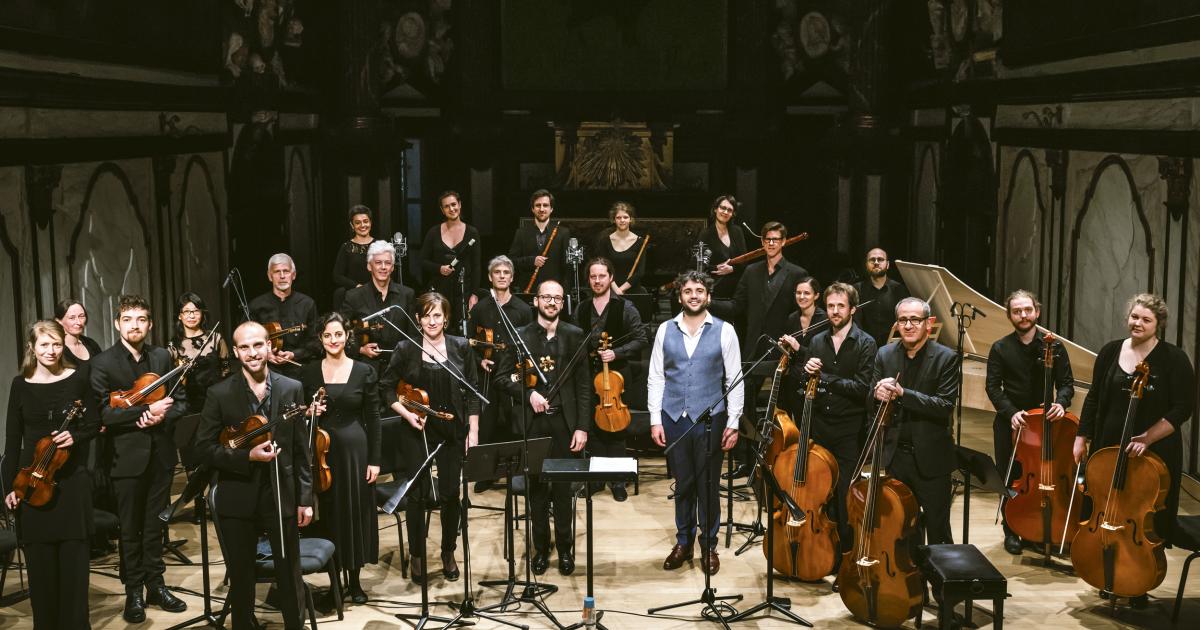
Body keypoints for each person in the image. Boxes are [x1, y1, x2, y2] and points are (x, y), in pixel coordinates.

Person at [193, 321, 313, 630]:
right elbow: (203, 449)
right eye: (244, 347)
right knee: (242, 578)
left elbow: (302, 451)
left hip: (281, 494)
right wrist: (246, 456)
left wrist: (305, 499)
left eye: (258, 345)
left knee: (290, 575)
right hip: (237, 494)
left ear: (269, 346)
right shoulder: (219, 393)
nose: (252, 353)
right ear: (235, 352)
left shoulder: (291, 388)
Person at [90, 294, 188, 622]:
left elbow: (183, 401)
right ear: (118, 323)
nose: (135, 325)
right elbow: (102, 413)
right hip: (125, 459)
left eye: (141, 319)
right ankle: (133, 589)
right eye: (128, 319)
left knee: (156, 525)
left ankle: (155, 585)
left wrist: (164, 416)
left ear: (150, 324)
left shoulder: (162, 357)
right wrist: (143, 412)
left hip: (160, 457)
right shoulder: (103, 363)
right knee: (130, 528)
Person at [1073, 294, 1194, 556]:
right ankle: (1107, 570)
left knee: (1143, 512)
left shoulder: (1174, 359)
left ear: (1158, 324)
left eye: (1146, 319)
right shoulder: (1109, 351)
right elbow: (1094, 397)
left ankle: (1139, 580)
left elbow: (1183, 408)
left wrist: (1147, 438)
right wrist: (1081, 437)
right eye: (1134, 316)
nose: (1138, 323)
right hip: (1108, 446)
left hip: (1153, 452)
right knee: (1107, 504)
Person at [3, 320, 101, 630]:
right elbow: (11, 442)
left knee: (74, 572)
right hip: (31, 485)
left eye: (56, 344)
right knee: (41, 573)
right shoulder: (20, 385)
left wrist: (76, 437)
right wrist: (9, 488)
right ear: (32, 347)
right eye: (44, 344)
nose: (51, 350)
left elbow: (94, 424)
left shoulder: (77, 379)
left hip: (71, 484)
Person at [380, 292, 480, 583]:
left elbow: (472, 391)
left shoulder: (461, 346)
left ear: (446, 318)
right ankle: (418, 556)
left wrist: (472, 431)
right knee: (417, 497)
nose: (432, 321)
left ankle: (448, 551)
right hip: (417, 428)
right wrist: (406, 414)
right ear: (418, 319)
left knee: (450, 495)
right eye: (426, 315)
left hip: (451, 429)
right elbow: (386, 388)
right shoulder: (405, 348)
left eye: (438, 315)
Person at [648, 271, 743, 576]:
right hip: (674, 417)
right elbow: (656, 377)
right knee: (683, 484)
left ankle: (709, 545)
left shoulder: (725, 331)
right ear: (680, 296)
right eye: (687, 290)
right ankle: (683, 541)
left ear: (708, 296)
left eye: (699, 290)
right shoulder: (665, 329)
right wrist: (654, 419)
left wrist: (734, 421)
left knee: (708, 485)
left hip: (711, 419)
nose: (693, 295)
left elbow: (734, 379)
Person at [495, 280, 590, 576]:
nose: (551, 302)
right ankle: (540, 548)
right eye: (546, 297)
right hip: (532, 424)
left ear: (563, 303)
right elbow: (502, 378)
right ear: (536, 301)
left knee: (562, 489)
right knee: (536, 489)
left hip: (564, 423)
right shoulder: (520, 337)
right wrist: (528, 394)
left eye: (557, 299)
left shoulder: (575, 336)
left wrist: (582, 427)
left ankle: (564, 549)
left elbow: (585, 386)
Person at [299, 312, 380, 603]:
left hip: (355, 453)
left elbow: (373, 418)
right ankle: (335, 581)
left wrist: (375, 460)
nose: (334, 340)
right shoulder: (309, 372)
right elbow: (299, 411)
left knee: (355, 512)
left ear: (347, 336)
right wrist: (309, 412)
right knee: (332, 514)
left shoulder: (364, 371)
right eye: (327, 335)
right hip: (323, 454)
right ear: (320, 340)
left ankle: (355, 582)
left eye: (338, 334)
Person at [985, 289, 1074, 555]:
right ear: (1009, 315)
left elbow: (1067, 384)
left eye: (1028, 310)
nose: (1023, 315)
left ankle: (1038, 529)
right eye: (1017, 311)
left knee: (1043, 476)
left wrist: (1061, 403)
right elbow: (993, 387)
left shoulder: (1055, 347)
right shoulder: (1000, 347)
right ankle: (1011, 530)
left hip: (1045, 425)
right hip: (1011, 423)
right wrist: (1010, 411)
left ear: (1037, 311)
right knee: (1011, 477)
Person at [721, 221, 808, 477]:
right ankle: (747, 462)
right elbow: (737, 306)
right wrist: (708, 304)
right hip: (755, 347)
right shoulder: (751, 272)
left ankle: (783, 462)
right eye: (767, 239)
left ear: (783, 242)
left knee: (786, 405)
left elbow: (802, 310)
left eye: (776, 239)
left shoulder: (796, 272)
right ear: (762, 242)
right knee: (744, 405)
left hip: (784, 348)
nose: (771, 243)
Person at [871, 297, 959, 548]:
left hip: (932, 461)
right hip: (896, 457)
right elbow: (871, 398)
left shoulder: (946, 358)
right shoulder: (884, 354)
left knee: (938, 531)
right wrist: (876, 394)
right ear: (896, 324)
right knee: (903, 528)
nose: (908, 325)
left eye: (915, 320)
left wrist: (902, 394)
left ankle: (940, 585)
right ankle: (911, 585)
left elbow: (943, 406)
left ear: (928, 324)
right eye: (902, 320)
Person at [800, 283, 876, 557]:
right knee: (821, 492)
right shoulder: (818, 341)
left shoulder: (866, 343)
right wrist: (806, 371)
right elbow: (806, 385)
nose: (834, 311)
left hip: (849, 429)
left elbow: (862, 388)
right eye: (830, 306)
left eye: (840, 306)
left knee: (845, 496)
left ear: (852, 309)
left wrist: (825, 379)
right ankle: (825, 553)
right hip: (821, 426)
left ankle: (847, 557)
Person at [573, 258, 648, 502]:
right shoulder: (582, 308)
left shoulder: (626, 307)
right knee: (593, 427)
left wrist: (617, 352)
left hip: (617, 376)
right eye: (593, 277)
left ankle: (617, 481)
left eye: (602, 276)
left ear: (610, 277)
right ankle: (596, 480)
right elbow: (575, 340)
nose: (597, 281)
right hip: (589, 374)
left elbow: (641, 340)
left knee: (615, 429)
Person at [466, 255, 534, 491]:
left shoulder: (523, 309)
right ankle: (487, 474)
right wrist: (479, 361)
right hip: (488, 373)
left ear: (512, 277)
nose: (502, 276)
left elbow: (530, 341)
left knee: (514, 423)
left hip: (514, 376)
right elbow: (470, 342)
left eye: (506, 272)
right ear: (490, 277)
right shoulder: (481, 308)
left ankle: (516, 474)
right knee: (488, 424)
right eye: (497, 272)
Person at [340, 240, 415, 374]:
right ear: (369, 266)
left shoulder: (407, 294)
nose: (383, 267)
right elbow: (341, 332)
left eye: (387, 263)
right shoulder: (353, 296)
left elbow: (413, 335)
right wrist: (360, 350)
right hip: (365, 369)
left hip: (399, 369)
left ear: (392, 267)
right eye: (378, 262)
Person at [248, 253, 320, 379]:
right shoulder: (256, 305)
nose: (282, 276)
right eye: (277, 272)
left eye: (286, 271)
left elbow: (315, 341)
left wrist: (294, 354)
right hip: (266, 370)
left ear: (293, 275)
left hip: (298, 371)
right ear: (270, 276)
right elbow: (247, 339)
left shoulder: (307, 304)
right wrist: (267, 354)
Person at [418, 191, 481, 333]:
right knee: (440, 329)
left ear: (460, 204)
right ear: (442, 210)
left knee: (462, 332)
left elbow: (477, 266)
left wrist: (474, 294)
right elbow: (422, 261)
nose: (451, 209)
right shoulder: (433, 232)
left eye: (454, 204)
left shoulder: (472, 232)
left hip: (464, 291)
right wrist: (439, 268)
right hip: (440, 290)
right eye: (447, 206)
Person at [169, 292, 230, 416]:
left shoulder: (216, 338)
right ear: (180, 316)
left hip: (216, 402)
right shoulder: (174, 346)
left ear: (202, 314)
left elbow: (226, 371)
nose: (191, 316)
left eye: (196, 311)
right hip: (189, 406)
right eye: (186, 311)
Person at [593, 201, 652, 319]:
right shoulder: (605, 241)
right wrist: (615, 288)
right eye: (618, 217)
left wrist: (622, 289)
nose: (622, 220)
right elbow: (603, 268)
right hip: (609, 290)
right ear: (614, 220)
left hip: (633, 291)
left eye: (625, 217)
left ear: (631, 219)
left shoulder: (640, 241)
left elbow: (640, 272)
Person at [508, 189, 573, 293]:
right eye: (538, 205)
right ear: (533, 209)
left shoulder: (563, 233)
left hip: (553, 291)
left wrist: (564, 292)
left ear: (551, 209)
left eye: (545, 205)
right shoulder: (521, 233)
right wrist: (531, 260)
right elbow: (511, 261)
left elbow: (567, 268)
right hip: (529, 290)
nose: (542, 209)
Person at [853, 247, 911, 347]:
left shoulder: (899, 289)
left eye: (880, 259)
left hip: (894, 347)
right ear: (867, 265)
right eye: (872, 260)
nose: (876, 262)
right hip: (863, 346)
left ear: (887, 265)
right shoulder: (856, 289)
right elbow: (854, 322)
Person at [697, 195, 748, 299]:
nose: (725, 212)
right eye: (722, 208)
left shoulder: (737, 231)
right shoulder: (705, 234)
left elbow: (745, 260)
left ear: (733, 214)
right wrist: (716, 268)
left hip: (737, 289)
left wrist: (732, 269)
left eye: (729, 210)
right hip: (715, 289)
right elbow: (698, 264)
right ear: (715, 209)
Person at [331, 205, 377, 309]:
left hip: (376, 293)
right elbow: (337, 276)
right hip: (353, 293)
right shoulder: (346, 247)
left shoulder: (379, 245)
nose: (363, 225)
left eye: (365, 221)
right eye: (358, 222)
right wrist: (357, 286)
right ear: (352, 225)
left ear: (370, 222)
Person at [54, 299, 102, 365]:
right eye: (72, 318)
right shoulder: (56, 349)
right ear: (59, 322)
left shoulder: (91, 344)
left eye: (81, 316)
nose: (79, 322)